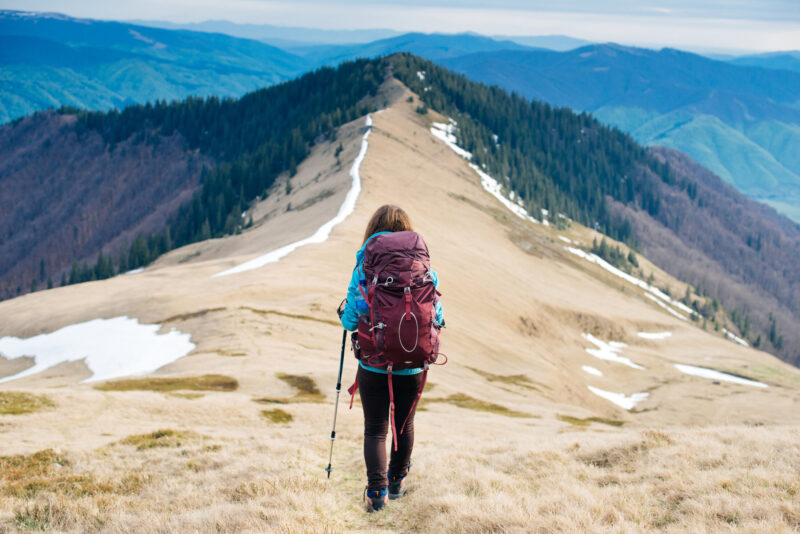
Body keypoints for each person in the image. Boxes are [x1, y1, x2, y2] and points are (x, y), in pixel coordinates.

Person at [338, 204, 444, 512]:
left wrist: (346, 315)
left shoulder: (364, 267)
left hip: (373, 361)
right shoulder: (423, 268)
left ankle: (377, 494)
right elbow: (437, 314)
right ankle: (397, 481)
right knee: (404, 423)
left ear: (373, 231)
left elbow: (350, 320)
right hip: (413, 364)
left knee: (375, 427)